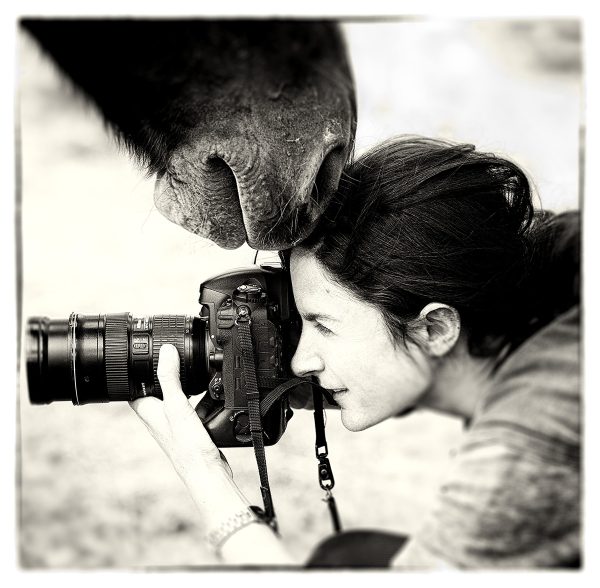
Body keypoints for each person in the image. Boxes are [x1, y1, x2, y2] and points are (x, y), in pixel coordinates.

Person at [130, 136, 580, 569]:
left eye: (323, 325)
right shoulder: (561, 275)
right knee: (346, 560)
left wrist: (205, 474)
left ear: (436, 328)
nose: (301, 360)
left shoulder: (532, 434)